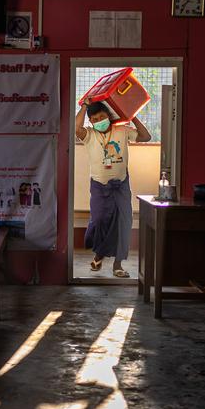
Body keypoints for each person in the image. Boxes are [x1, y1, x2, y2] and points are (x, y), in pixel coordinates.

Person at [76, 100, 151, 277]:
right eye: (95, 119)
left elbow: (146, 137)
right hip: (98, 186)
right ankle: (99, 254)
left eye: (102, 117)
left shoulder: (122, 130)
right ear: (91, 122)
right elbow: (76, 127)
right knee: (100, 220)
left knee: (124, 222)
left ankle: (118, 264)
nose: (99, 121)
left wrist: (133, 116)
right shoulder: (89, 135)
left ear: (109, 116)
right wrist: (84, 106)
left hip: (121, 185)